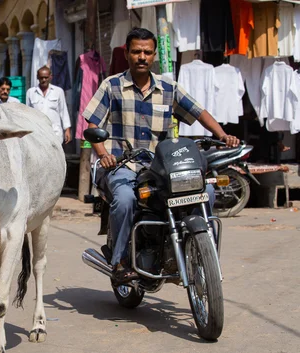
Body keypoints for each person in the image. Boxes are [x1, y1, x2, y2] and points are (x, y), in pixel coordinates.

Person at [82, 28, 239, 282]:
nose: (141, 56)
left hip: (163, 168)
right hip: (123, 166)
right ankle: (120, 260)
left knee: (206, 192)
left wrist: (222, 135)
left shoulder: (169, 88)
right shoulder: (112, 87)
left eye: (146, 52)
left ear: (154, 55)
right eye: (136, 51)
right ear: (127, 53)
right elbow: (91, 125)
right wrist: (103, 153)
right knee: (124, 199)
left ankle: (198, 252)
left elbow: (198, 112)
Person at [26, 66, 72, 144]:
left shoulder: (58, 91)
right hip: (37, 133)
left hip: (55, 133)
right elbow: (28, 113)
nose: (44, 80)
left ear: (51, 77)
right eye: (41, 78)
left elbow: (63, 111)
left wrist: (67, 129)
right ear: (37, 77)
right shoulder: (30, 92)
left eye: (46, 77)